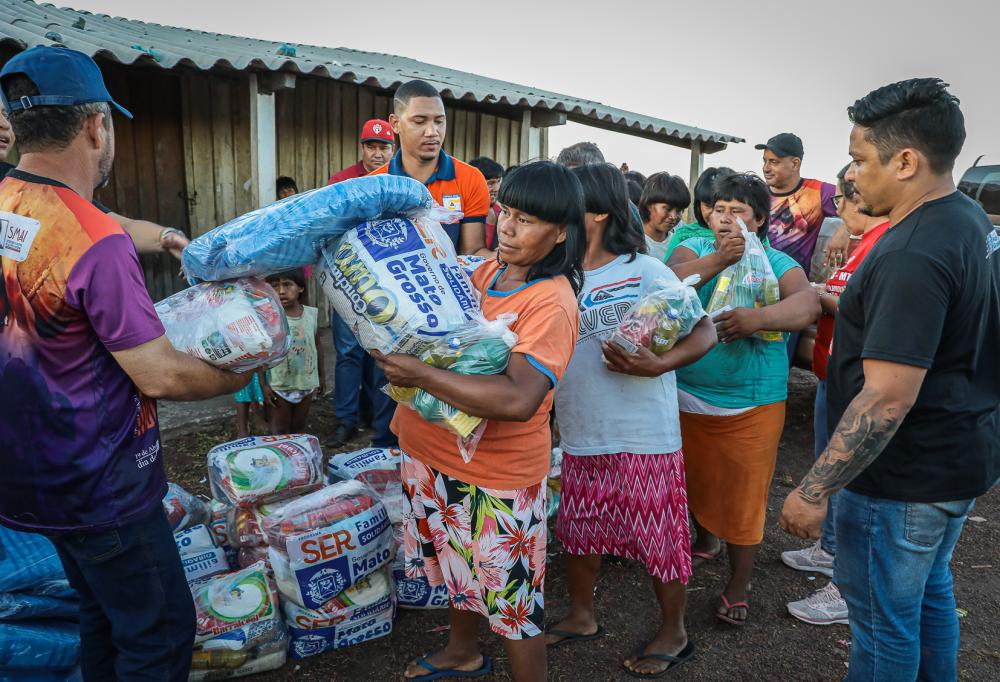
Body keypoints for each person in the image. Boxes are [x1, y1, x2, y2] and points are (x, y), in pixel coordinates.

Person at [0, 46, 250, 680]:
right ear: (95, 125)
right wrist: (237, 373)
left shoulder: (10, 201)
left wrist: (165, 236)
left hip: (27, 477)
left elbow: (94, 222)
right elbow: (160, 373)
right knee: (160, 634)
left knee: (98, 614)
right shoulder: (95, 244)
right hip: (101, 485)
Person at [780, 78, 999, 681]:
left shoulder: (912, 250)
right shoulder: (970, 220)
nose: (852, 176)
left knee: (880, 626)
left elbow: (886, 397)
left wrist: (815, 489)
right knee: (928, 600)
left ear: (906, 161)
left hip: (902, 479)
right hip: (957, 459)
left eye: (859, 159)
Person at [375, 161, 584, 682]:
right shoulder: (486, 270)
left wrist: (420, 374)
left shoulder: (551, 302)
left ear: (562, 232)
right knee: (456, 569)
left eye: (527, 220)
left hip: (495, 476)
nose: (508, 227)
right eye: (505, 212)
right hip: (431, 452)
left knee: (513, 604)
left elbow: (518, 398)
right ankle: (462, 651)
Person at [546, 164, 716, 677]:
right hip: (580, 431)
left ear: (596, 212)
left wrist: (659, 363)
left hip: (644, 434)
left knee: (659, 538)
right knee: (578, 530)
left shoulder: (644, 269)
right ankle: (581, 615)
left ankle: (675, 631)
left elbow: (704, 330)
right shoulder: (558, 276)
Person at [666, 172, 819, 626]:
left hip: (753, 400)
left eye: (738, 212)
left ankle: (738, 585)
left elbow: (807, 305)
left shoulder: (777, 260)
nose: (726, 219)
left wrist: (758, 318)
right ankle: (706, 538)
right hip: (688, 390)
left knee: (746, 493)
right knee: (692, 477)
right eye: (719, 210)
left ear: (759, 220)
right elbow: (668, 283)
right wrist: (717, 258)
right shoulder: (695, 249)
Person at [782, 165, 890, 626]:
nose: (839, 211)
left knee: (848, 481)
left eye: (843, 202)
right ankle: (829, 551)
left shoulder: (885, 242)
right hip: (835, 374)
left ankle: (846, 589)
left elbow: (858, 306)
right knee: (835, 469)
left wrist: (816, 298)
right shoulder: (863, 243)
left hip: (858, 383)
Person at [0, 101, 191, 260]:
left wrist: (167, 237)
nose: (4, 124)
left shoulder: (25, 184)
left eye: (6, 115)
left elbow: (118, 225)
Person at [369, 79, 491, 256]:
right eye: (420, 121)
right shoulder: (374, 186)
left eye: (439, 121)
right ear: (395, 124)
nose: (432, 131)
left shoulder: (470, 178)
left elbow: (472, 254)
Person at [758, 132, 846, 275]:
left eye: (774, 162)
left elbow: (861, 204)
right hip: (756, 280)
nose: (766, 168)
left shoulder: (818, 192)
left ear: (795, 164)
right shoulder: (757, 194)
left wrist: (844, 231)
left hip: (795, 284)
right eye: (765, 161)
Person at [263, 269, 325, 434]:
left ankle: (296, 458)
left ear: (301, 288)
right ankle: (281, 458)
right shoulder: (269, 318)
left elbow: (317, 344)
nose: (281, 291)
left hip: (306, 383)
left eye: (288, 285)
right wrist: (264, 385)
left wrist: (321, 376)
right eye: (275, 286)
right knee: (280, 429)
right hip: (279, 385)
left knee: (298, 427)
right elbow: (261, 354)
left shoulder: (311, 315)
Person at [662, 167, 735, 262]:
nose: (714, 214)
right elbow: (668, 274)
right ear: (698, 205)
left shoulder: (747, 236)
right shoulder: (684, 235)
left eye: (721, 208)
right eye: (708, 206)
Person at [639, 172, 690, 261]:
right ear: (648, 205)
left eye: (679, 210)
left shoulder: (681, 244)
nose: (674, 216)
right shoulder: (632, 243)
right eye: (667, 209)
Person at [327, 118, 395, 184]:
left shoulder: (401, 179)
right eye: (371, 148)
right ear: (362, 148)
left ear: (393, 150)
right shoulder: (340, 182)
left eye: (383, 148)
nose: (377, 155)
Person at [468, 155, 504, 250]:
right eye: (490, 183)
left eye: (498, 182)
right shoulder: (461, 215)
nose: (497, 189)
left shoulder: (503, 211)